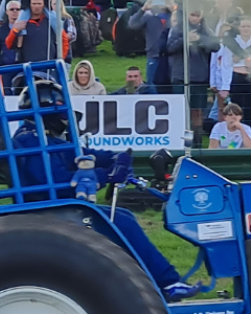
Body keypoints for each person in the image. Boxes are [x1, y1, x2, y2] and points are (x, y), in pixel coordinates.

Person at [12, 79, 202, 302]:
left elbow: (80, 153)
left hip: (55, 203)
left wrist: (115, 157)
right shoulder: (31, 140)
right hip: (49, 205)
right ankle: (167, 282)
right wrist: (106, 175)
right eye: (60, 107)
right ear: (47, 108)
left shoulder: (40, 137)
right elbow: (58, 181)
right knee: (121, 220)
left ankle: (159, 283)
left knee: (123, 216)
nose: (65, 116)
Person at [167, 3, 220, 148]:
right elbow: (169, 48)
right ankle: (182, 142)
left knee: (197, 112)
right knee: (181, 112)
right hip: (180, 77)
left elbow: (216, 46)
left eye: (198, 15)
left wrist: (199, 40)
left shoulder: (205, 30)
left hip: (199, 77)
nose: (195, 18)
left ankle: (197, 142)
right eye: (193, 15)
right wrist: (186, 39)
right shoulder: (177, 29)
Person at [219, 15, 251, 131]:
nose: (246, 29)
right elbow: (226, 65)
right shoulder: (232, 44)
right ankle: (237, 140)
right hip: (237, 79)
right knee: (236, 112)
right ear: (239, 28)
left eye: (248, 26)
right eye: (243, 26)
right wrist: (225, 86)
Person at [128, 0, 174, 86]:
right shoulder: (148, 16)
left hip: (173, 56)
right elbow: (132, 24)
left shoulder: (174, 16)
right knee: (152, 85)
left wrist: (174, 10)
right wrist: (143, 9)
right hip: (153, 56)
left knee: (172, 85)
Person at [0, 0, 20, 95]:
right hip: (7, 68)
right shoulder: (1, 30)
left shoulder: (28, 27)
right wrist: (1, 66)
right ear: (7, 12)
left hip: (23, 67)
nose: (15, 11)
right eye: (12, 9)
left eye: (17, 9)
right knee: (8, 95)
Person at [51, 0, 76, 75]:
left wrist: (61, 36)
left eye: (58, 4)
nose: (56, 6)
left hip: (65, 55)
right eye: (54, 4)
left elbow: (72, 35)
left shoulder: (67, 18)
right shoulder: (47, 19)